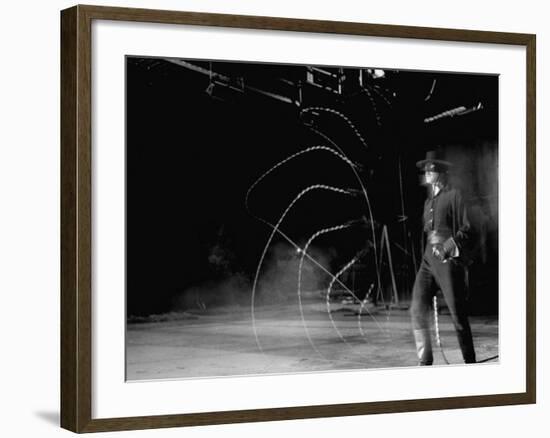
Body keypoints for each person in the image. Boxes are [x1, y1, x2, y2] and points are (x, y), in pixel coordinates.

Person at [410, 150, 476, 365]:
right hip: (428, 261)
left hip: (447, 262)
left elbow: (468, 228)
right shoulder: (428, 202)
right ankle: (425, 361)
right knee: (417, 308)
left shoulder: (455, 195)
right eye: (426, 170)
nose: (427, 173)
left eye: (432, 169)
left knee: (458, 316)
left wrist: (447, 246)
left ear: (441, 172)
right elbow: (427, 231)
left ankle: (470, 362)